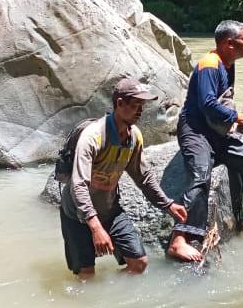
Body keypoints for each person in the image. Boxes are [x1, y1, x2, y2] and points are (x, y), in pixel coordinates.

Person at [59, 78, 188, 279]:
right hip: (77, 213)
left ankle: (112, 288)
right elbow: (78, 185)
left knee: (139, 263)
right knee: (87, 275)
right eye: (136, 105)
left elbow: (143, 177)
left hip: (109, 210)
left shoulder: (134, 137)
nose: (140, 111)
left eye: (142, 106)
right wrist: (95, 227)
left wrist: (168, 205)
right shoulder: (93, 137)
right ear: (119, 104)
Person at [167, 20, 243, 262]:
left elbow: (224, 100)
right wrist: (236, 116)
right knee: (201, 176)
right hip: (195, 130)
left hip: (216, 132)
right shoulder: (209, 65)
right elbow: (208, 105)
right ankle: (178, 239)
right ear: (229, 43)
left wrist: (239, 123)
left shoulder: (228, 64)